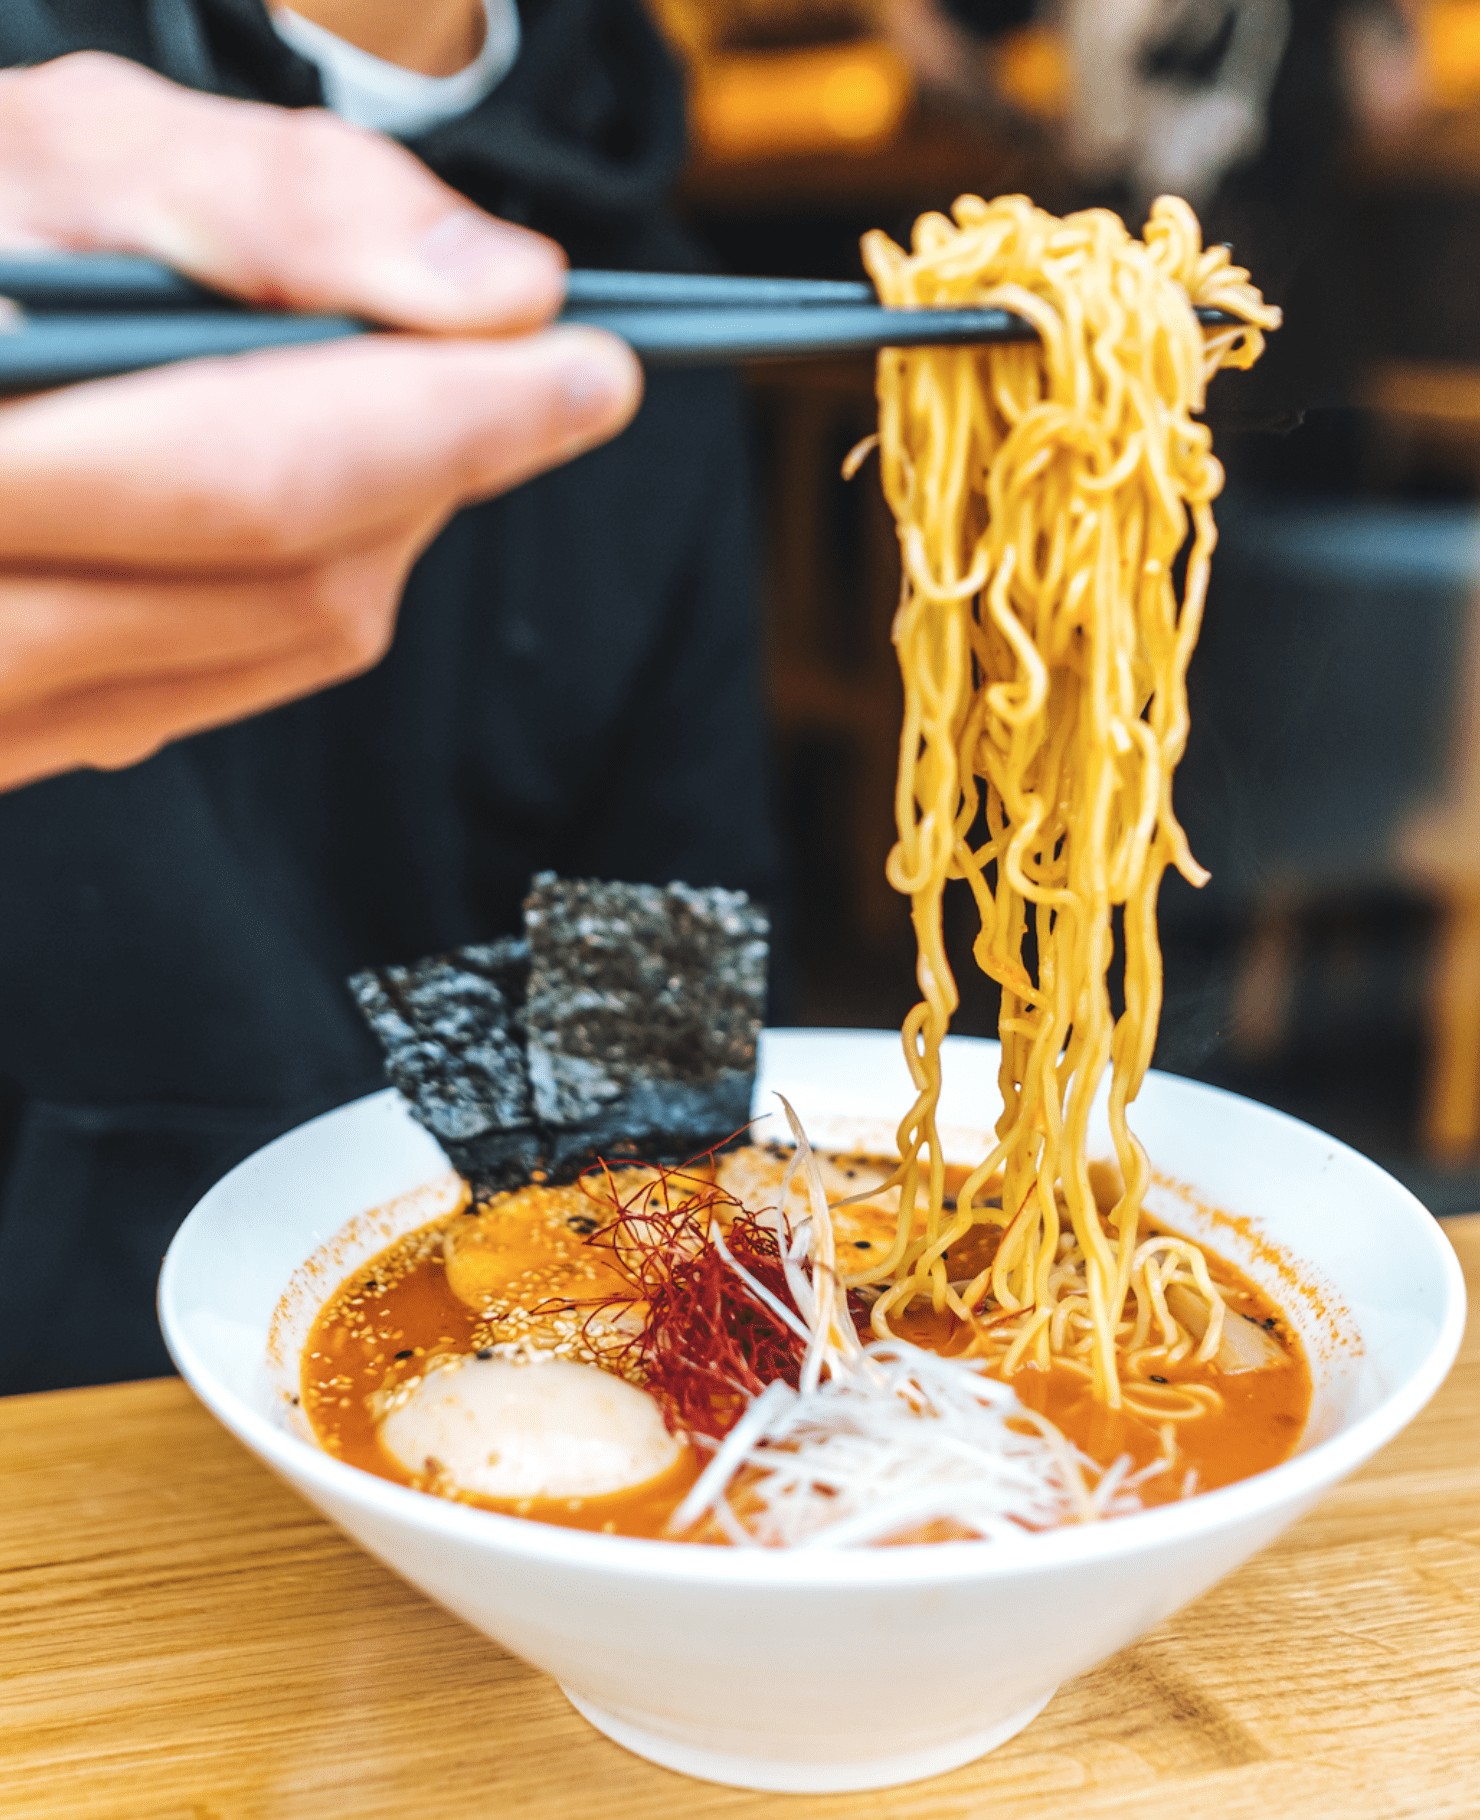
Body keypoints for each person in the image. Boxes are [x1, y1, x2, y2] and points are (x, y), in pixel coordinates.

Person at [0, 9, 779, 1395]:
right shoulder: (41, 198)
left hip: (475, 1365)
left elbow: (657, 923)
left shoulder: (656, 300)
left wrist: (668, 1363)